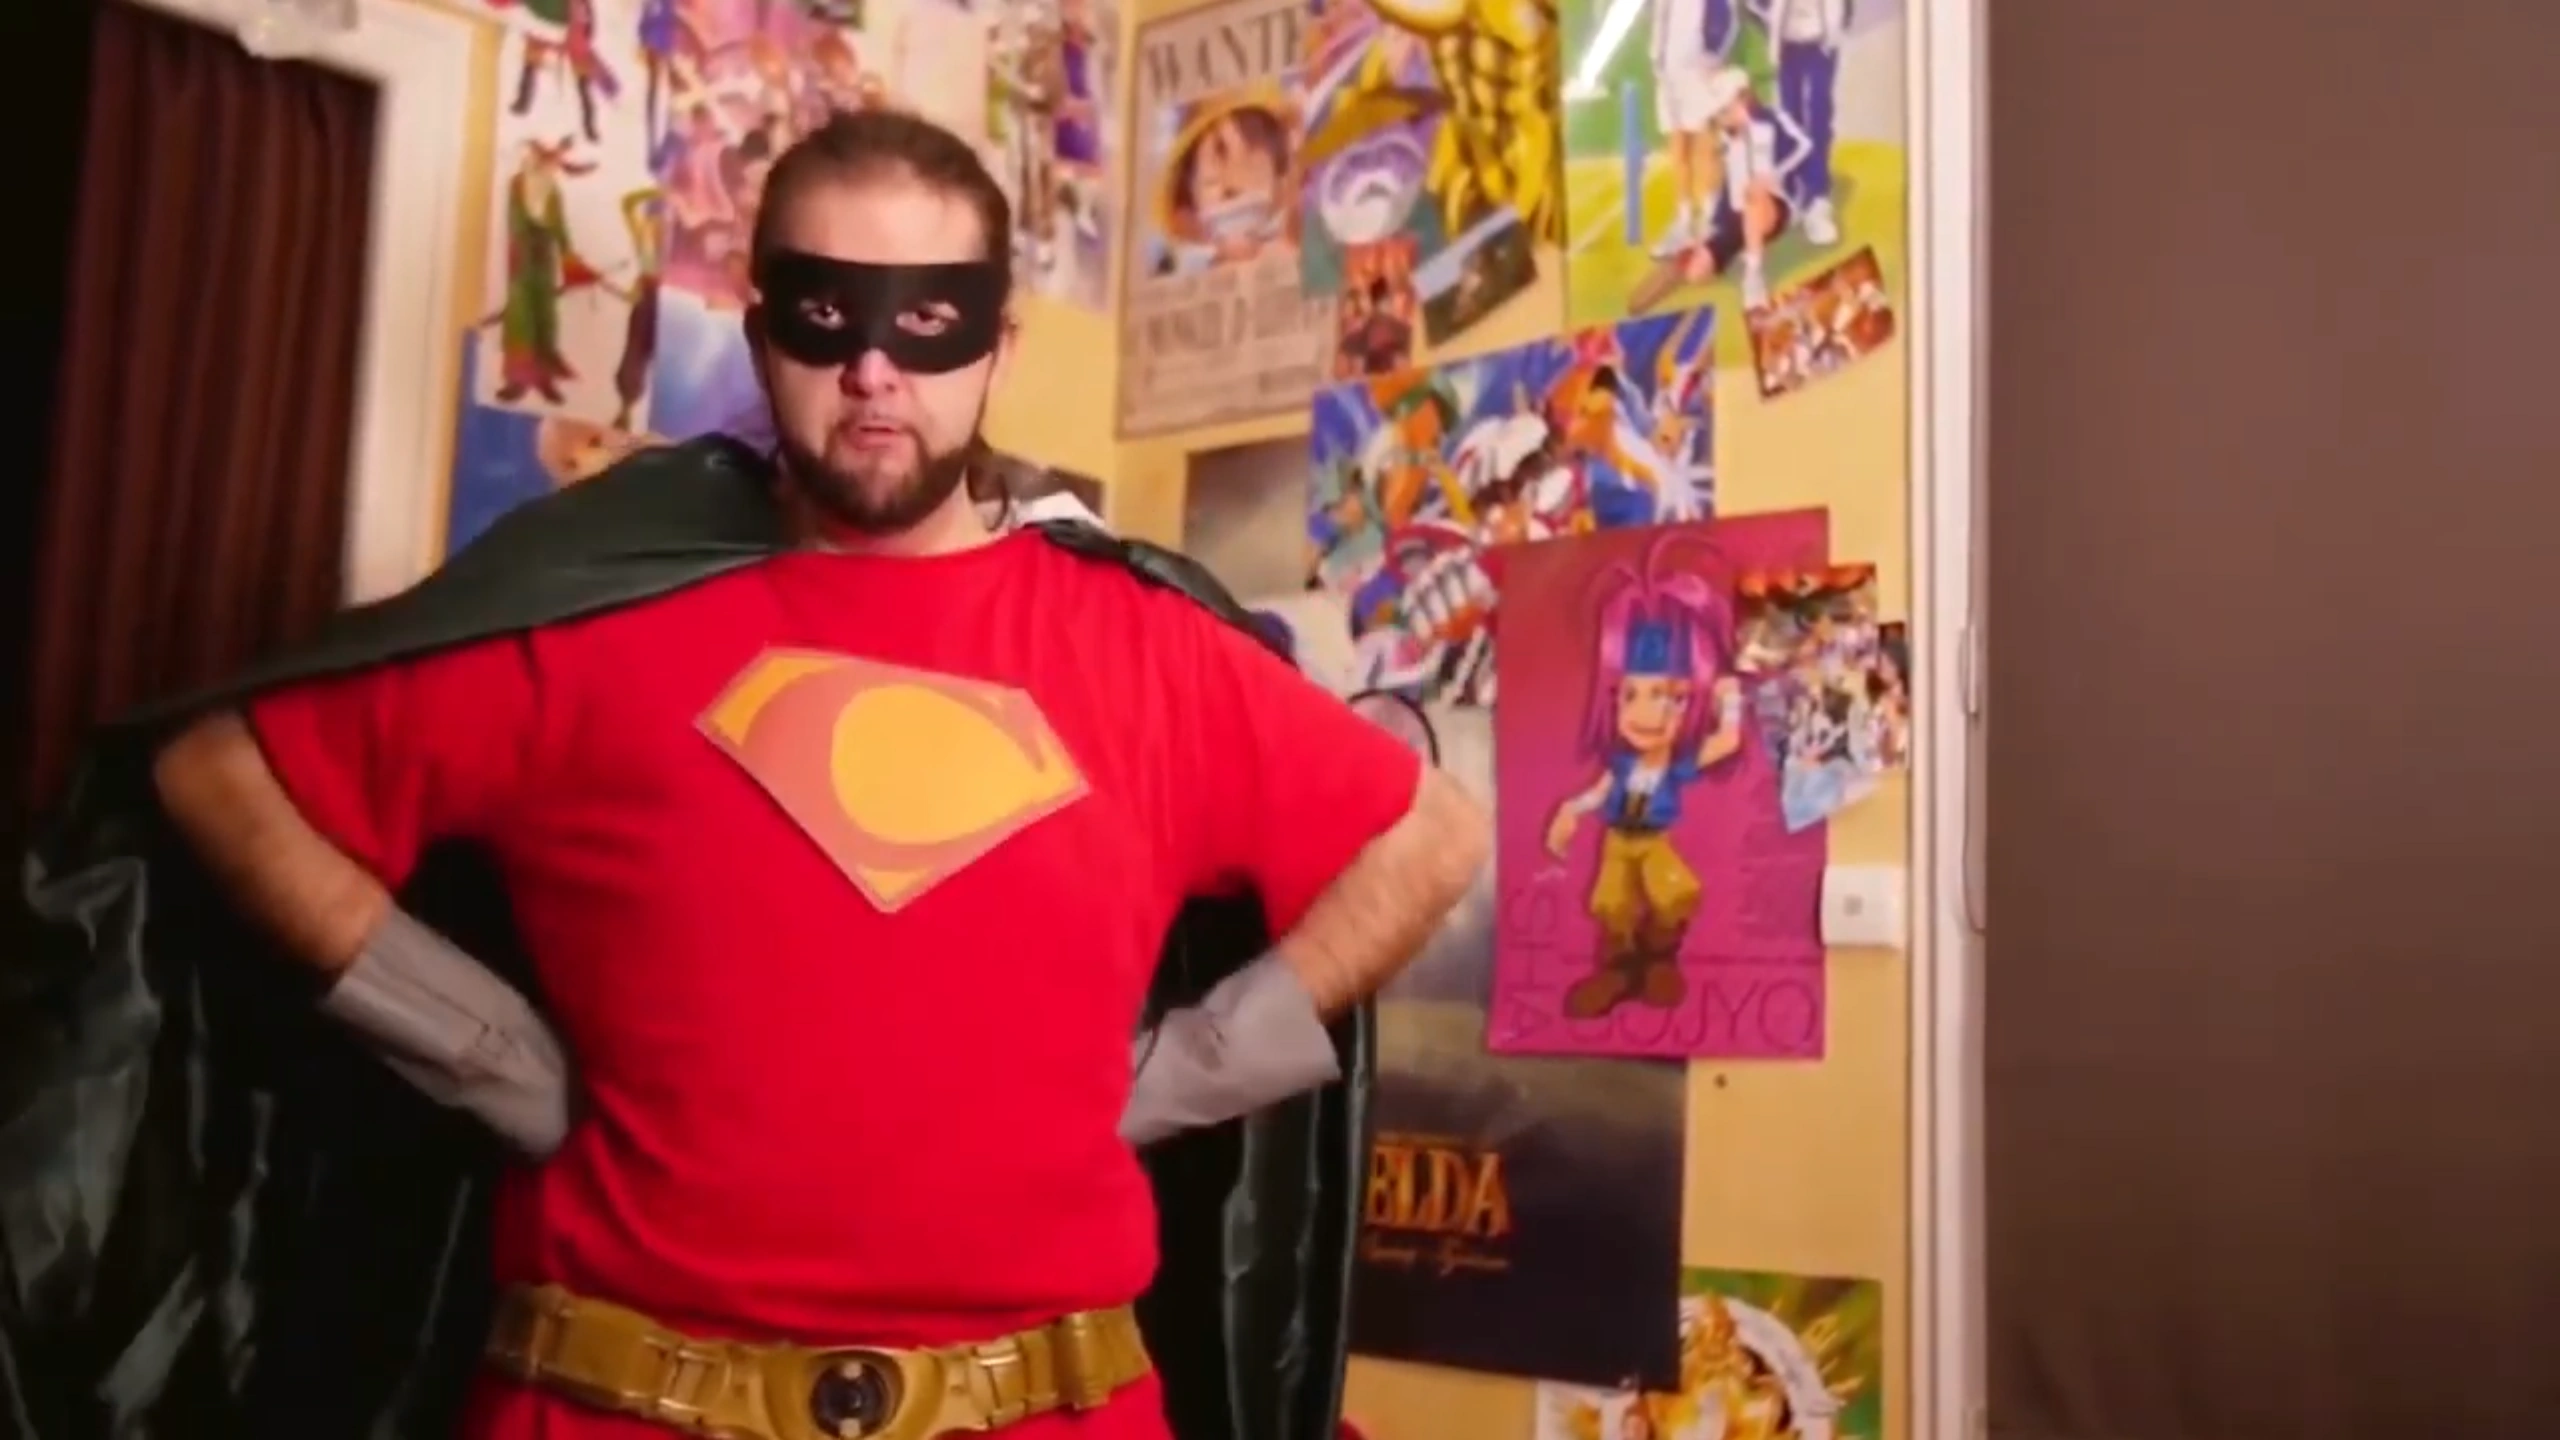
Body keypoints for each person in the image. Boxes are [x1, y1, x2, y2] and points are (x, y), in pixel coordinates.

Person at [5, 109, 1486, 1440]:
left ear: (1000, 344)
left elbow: (1426, 836)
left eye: (930, 320)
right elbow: (217, 774)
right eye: (827, 312)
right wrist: (483, 1047)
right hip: (614, 1399)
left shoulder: (1149, 648)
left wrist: (1188, 1072)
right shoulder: (584, 611)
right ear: (762, 326)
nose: (874, 368)